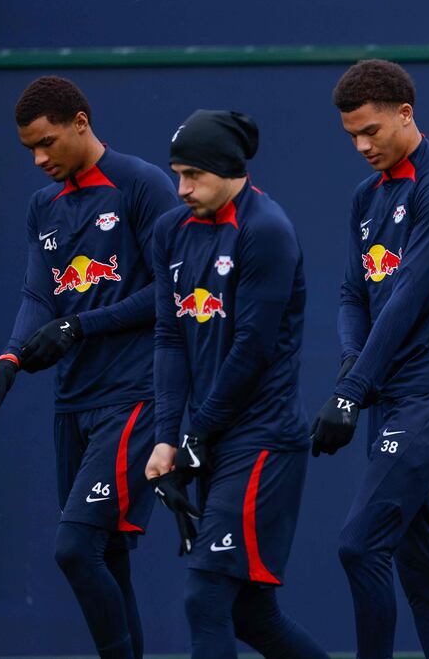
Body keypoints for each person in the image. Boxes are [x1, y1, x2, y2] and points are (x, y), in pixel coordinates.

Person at [0, 75, 177, 658]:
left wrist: (80, 324)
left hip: (132, 397)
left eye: (47, 142)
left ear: (81, 123)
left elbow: (172, 288)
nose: (38, 159)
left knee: (74, 548)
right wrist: (9, 360)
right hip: (74, 401)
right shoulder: (44, 206)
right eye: (28, 149)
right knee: (106, 556)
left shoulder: (140, 184)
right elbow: (39, 296)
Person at [311, 59, 429, 658]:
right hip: (390, 393)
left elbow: (408, 294)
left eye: (372, 131)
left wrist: (351, 390)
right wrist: (352, 365)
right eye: (351, 136)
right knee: (422, 563)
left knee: (360, 545)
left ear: (405, 114)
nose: (362, 145)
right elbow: (352, 293)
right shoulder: (367, 196)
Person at [144, 109, 327, 658]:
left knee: (206, 597)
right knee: (251, 615)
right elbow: (169, 337)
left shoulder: (265, 229)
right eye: (176, 173)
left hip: (262, 441)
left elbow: (253, 347)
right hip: (213, 440)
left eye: (193, 175)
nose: (181, 188)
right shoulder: (169, 232)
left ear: (228, 168)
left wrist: (198, 433)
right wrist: (167, 436)